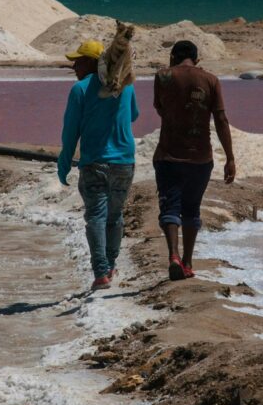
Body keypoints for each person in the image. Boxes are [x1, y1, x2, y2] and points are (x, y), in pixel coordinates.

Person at [57, 39, 139, 290]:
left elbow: (71, 131)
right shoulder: (126, 87)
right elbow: (134, 115)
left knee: (96, 216)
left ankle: (101, 271)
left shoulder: (80, 89)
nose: (74, 68)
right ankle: (110, 265)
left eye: (78, 62)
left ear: (93, 63)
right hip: (124, 161)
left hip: (95, 162)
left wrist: (64, 162)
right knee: (114, 215)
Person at [153, 40, 236, 281]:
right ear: (197, 60)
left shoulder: (163, 76)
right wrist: (230, 158)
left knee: (170, 206)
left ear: (172, 57)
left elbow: (160, 108)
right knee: (192, 208)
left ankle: (173, 256)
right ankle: (188, 262)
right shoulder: (211, 80)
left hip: (168, 154)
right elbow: (221, 120)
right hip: (200, 157)